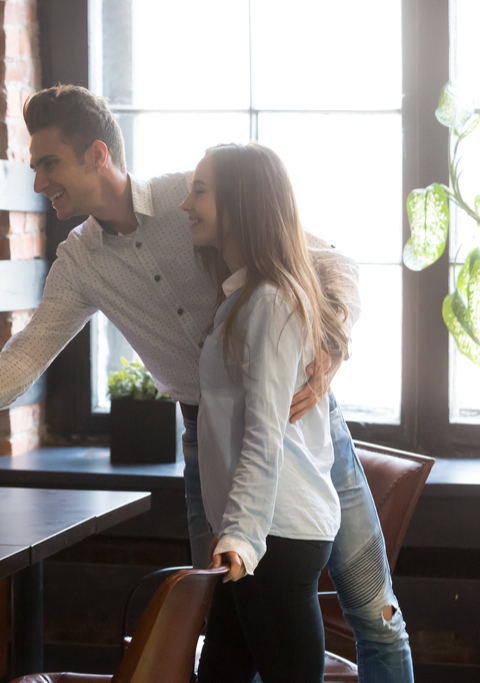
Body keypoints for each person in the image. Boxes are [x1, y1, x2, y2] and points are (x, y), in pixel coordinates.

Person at [0, 84, 413, 681]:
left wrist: (331, 351)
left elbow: (329, 261)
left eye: (49, 163)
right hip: (206, 445)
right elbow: (21, 361)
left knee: (376, 613)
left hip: (298, 431)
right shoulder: (79, 261)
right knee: (222, 617)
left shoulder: (192, 199)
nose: (39, 183)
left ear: (99, 156)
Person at [185, 142, 343, 681]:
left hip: (276, 536)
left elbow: (263, 434)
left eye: (200, 191)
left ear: (240, 203)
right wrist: (237, 533)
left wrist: (242, 538)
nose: (187, 204)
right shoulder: (247, 298)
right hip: (258, 533)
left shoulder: (270, 303)